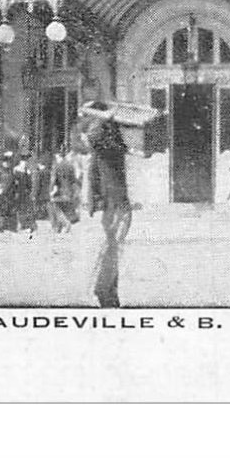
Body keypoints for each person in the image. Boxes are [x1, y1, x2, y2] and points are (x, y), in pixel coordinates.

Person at [80, 103, 131, 308]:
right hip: (115, 202)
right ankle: (104, 290)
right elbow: (98, 138)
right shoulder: (104, 143)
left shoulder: (105, 147)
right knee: (113, 246)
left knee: (113, 246)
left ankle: (109, 291)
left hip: (116, 201)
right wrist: (108, 118)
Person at [50, 150, 80, 233]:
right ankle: (60, 227)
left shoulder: (57, 166)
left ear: (58, 156)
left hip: (60, 192)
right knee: (65, 208)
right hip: (69, 192)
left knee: (55, 207)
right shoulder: (70, 165)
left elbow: (54, 181)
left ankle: (65, 223)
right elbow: (74, 179)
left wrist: (51, 191)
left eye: (56, 157)